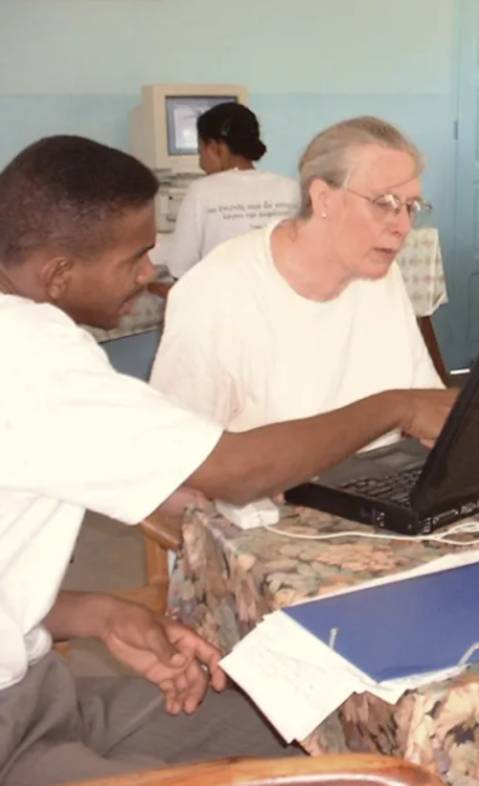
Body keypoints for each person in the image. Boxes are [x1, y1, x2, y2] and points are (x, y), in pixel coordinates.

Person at [0, 136, 455, 785]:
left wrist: (96, 612)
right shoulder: (31, 353)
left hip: (48, 690)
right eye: (134, 258)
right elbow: (231, 469)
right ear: (58, 275)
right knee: (373, 767)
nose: (148, 273)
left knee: (307, 724)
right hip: (14, 733)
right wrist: (394, 407)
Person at [151, 117, 443, 439]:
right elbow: (179, 454)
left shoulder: (380, 276)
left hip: (369, 482)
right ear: (323, 199)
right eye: (384, 203)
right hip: (264, 489)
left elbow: (425, 398)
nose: (403, 226)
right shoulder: (215, 292)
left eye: (411, 207)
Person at [166, 102, 300, 278]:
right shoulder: (291, 188)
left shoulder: (201, 191)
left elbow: (179, 270)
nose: (200, 162)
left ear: (216, 148)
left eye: (201, 151)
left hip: (221, 301)